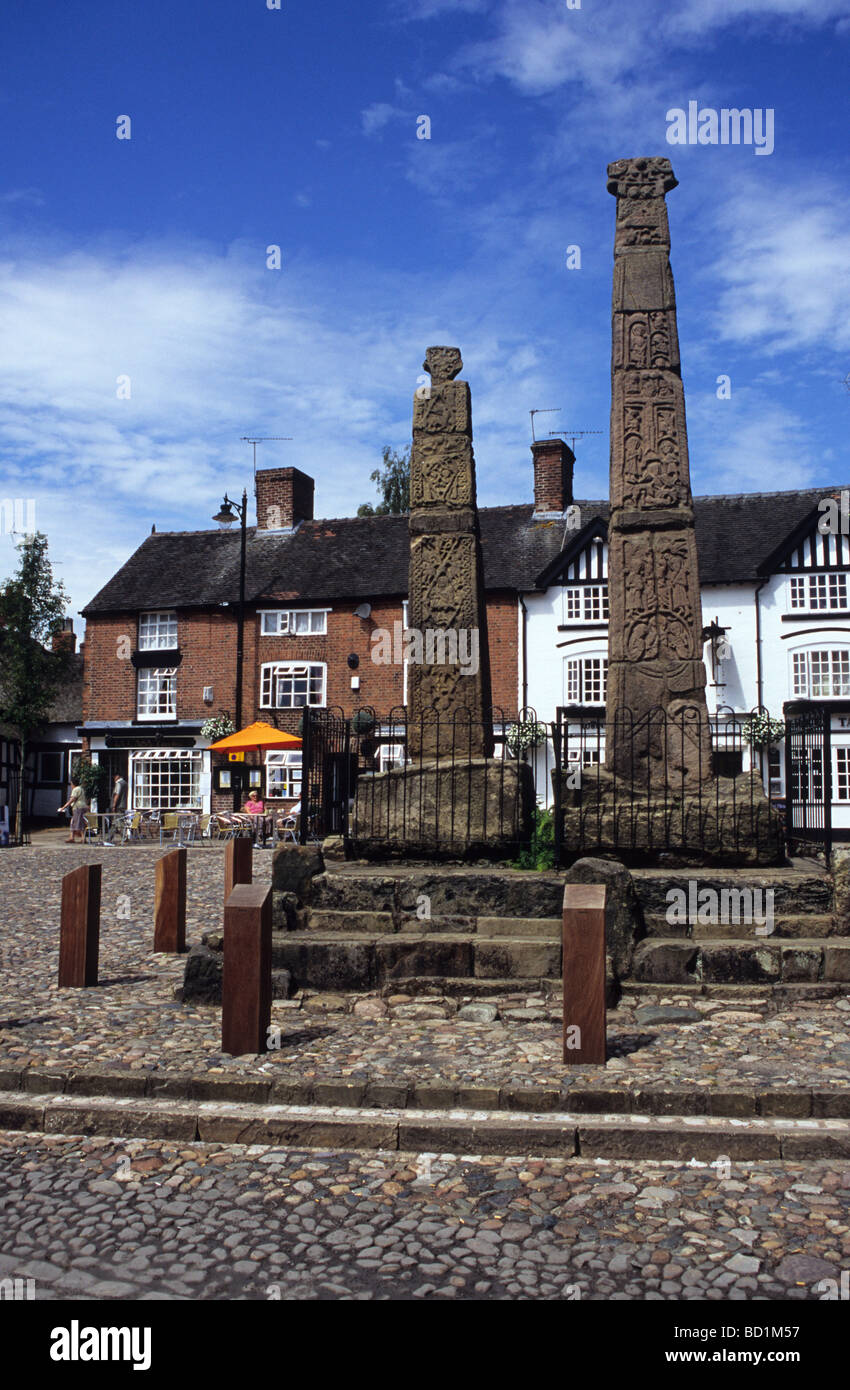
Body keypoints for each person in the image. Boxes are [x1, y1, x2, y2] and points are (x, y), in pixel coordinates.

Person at [59, 779, 88, 844]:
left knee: (79, 822)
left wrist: (64, 807)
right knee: (73, 822)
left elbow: (73, 799)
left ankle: (83, 838)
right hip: (82, 807)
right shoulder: (81, 789)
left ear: (73, 784)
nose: (71, 786)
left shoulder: (76, 789)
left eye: (71, 784)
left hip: (78, 807)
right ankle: (71, 837)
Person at [105, 772, 128, 844]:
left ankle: (124, 837)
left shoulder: (119, 783)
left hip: (119, 806)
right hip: (123, 805)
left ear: (117, 776)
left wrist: (114, 805)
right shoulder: (125, 783)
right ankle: (109, 838)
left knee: (118, 822)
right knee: (115, 823)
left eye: (114, 777)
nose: (114, 779)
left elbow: (117, 795)